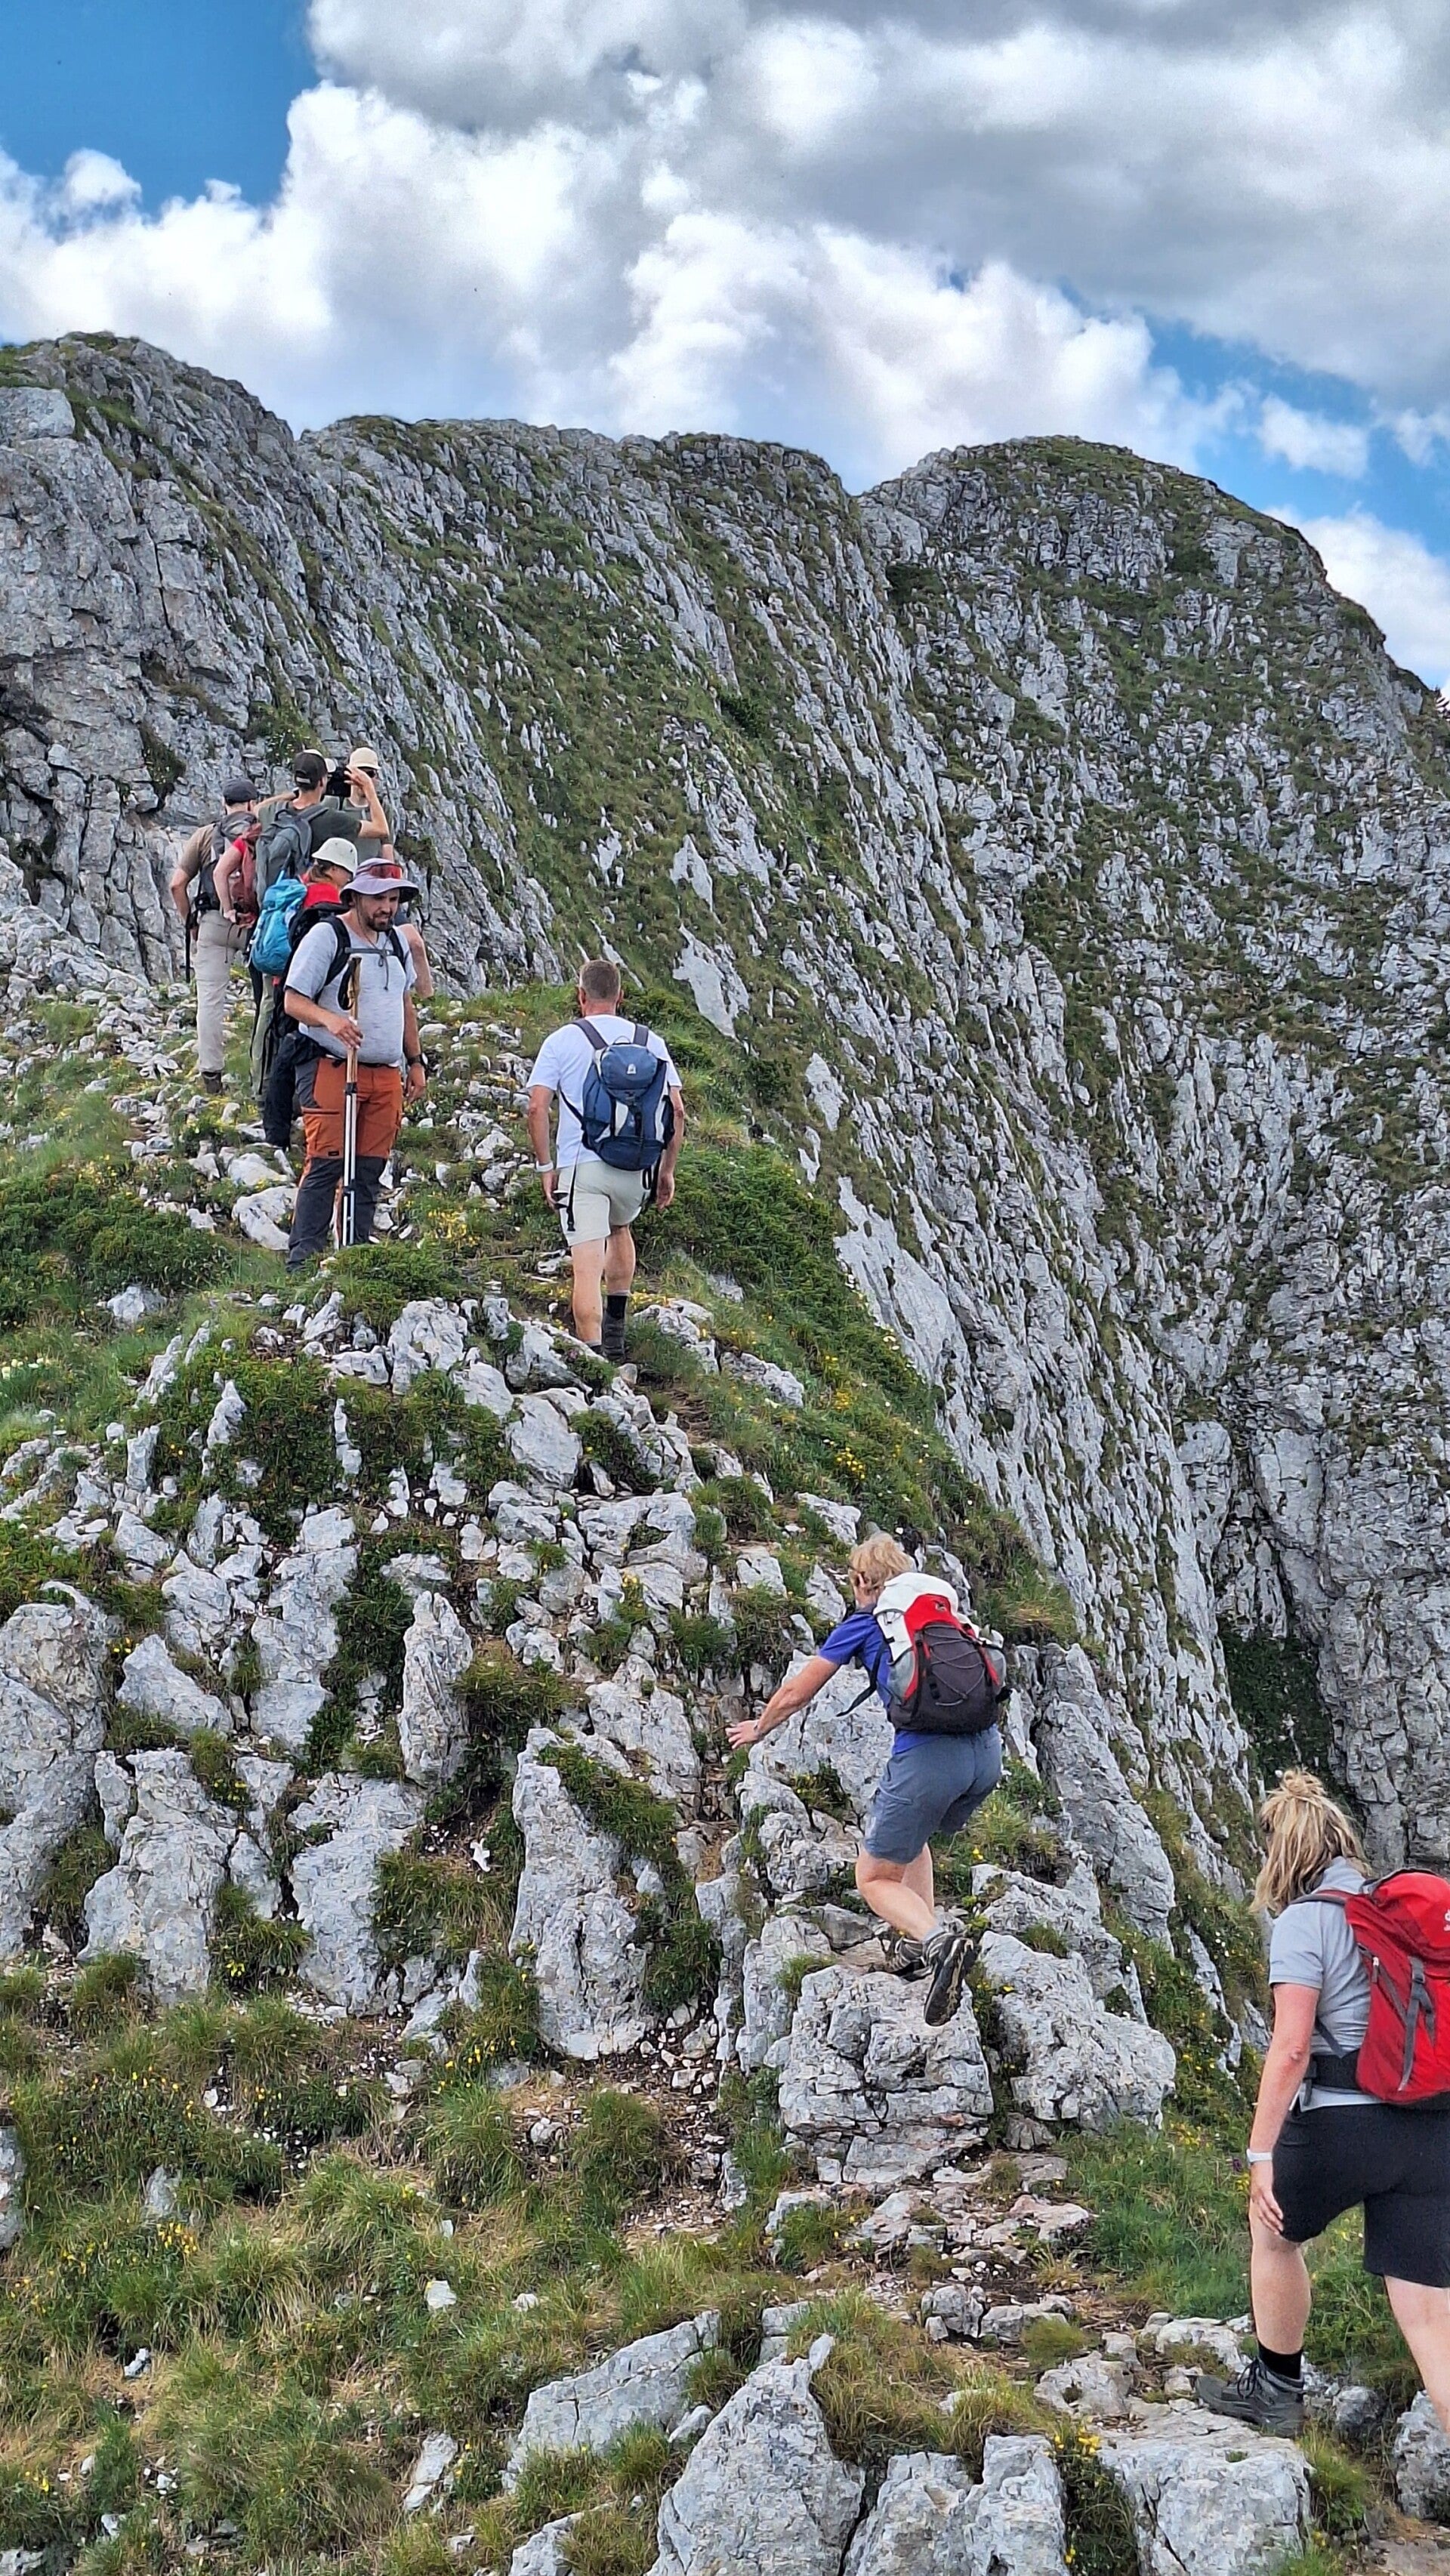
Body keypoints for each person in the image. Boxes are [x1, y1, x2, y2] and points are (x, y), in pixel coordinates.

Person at [1197, 1770, 1450, 2439]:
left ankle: (1277, 2387)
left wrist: (1260, 2155)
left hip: (1344, 2122)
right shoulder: (1396, 1915)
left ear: (1284, 1856)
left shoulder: (1304, 1922)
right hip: (1433, 2130)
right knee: (1429, 2319)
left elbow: (1290, 2048)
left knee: (1273, 2232)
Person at [726, 1534, 1000, 2027]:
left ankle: (939, 1941)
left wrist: (759, 1727)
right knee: (911, 1838)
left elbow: (795, 1692)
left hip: (929, 1760)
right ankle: (920, 1941)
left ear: (859, 1580)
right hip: (985, 1755)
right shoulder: (939, 1614)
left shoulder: (864, 1621)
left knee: (872, 1876)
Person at [526, 959, 684, 1359]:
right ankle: (617, 1336)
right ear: (621, 997)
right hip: (637, 1167)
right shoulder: (651, 1041)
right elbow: (677, 1112)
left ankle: (598, 1363)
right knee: (620, 1230)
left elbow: (537, 1108)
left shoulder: (562, 1040)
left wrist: (547, 1167)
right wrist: (666, 1171)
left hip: (584, 1168)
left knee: (586, 1266)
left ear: (581, 996)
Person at [281, 861, 427, 1269]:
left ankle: (356, 1256)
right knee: (327, 1161)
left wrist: (415, 1061)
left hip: (386, 1074)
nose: (387, 907)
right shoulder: (328, 937)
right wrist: (332, 1021)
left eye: (394, 899)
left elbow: (405, 1003)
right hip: (332, 1066)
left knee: (368, 1168)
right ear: (355, 897)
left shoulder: (396, 943)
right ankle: (303, 1262)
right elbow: (293, 1000)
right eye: (379, 898)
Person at [168, 772, 257, 1094]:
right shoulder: (261, 832)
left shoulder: (206, 836)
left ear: (224, 804)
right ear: (251, 804)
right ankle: (263, 1070)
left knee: (210, 1000)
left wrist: (190, 921)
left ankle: (211, 1076)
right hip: (254, 925)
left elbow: (177, 884)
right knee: (267, 999)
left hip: (213, 923)